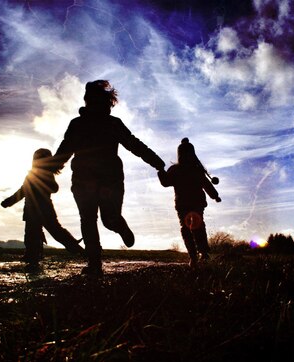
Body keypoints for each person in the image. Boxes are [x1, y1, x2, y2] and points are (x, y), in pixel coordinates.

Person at [51, 80, 165, 276]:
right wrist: (47, 168)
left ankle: (119, 225)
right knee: (88, 220)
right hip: (84, 181)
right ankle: (95, 264)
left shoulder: (113, 124)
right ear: (88, 102)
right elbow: (65, 149)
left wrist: (157, 162)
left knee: (108, 219)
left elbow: (134, 144)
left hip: (109, 180)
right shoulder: (78, 124)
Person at [1, 148, 85, 267]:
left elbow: (54, 188)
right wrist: (9, 202)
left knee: (54, 231)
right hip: (33, 210)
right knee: (32, 234)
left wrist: (43, 183)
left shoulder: (45, 174)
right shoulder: (32, 175)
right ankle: (32, 256)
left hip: (43, 209)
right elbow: (23, 191)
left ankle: (76, 248)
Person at [158, 137, 221, 267]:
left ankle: (199, 254)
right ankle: (197, 255)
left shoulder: (182, 170)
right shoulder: (185, 170)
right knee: (192, 227)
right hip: (186, 204)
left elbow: (206, 185)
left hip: (189, 203)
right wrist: (161, 172)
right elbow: (166, 182)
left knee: (191, 227)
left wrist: (215, 196)